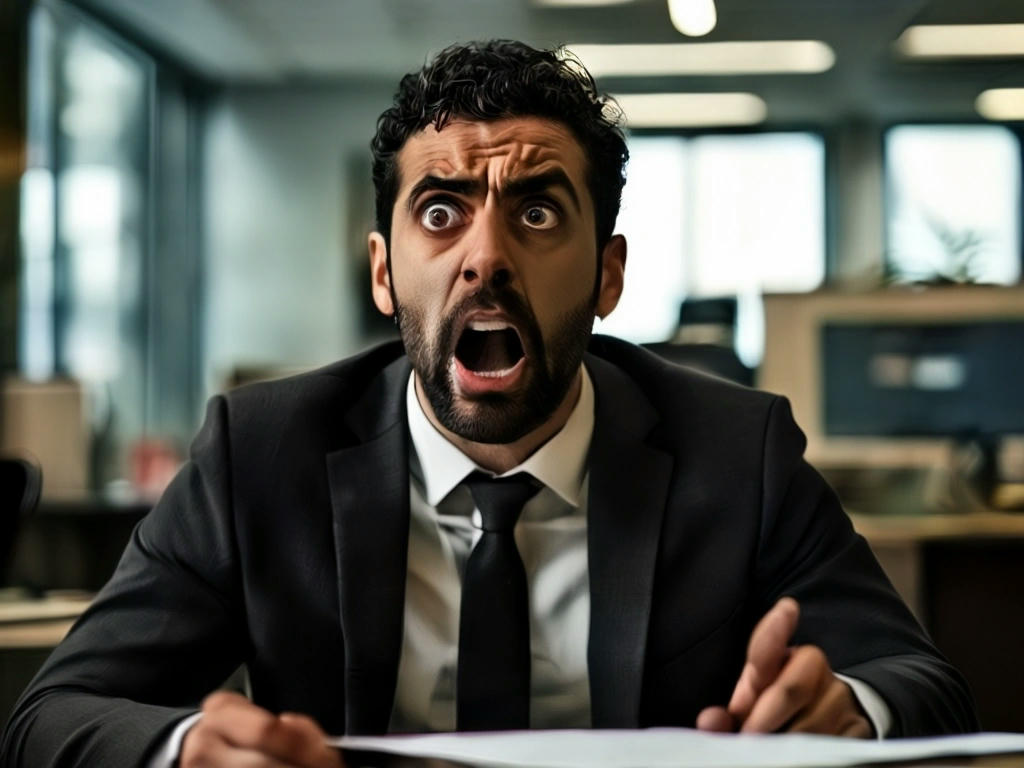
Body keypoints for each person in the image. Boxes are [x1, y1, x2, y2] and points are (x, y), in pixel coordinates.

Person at [1, 40, 977, 768]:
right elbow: (52, 715)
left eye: (538, 211)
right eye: (440, 213)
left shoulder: (738, 452)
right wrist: (189, 749)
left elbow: (922, 685)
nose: (486, 256)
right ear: (383, 275)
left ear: (607, 275)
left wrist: (849, 707)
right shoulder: (259, 453)